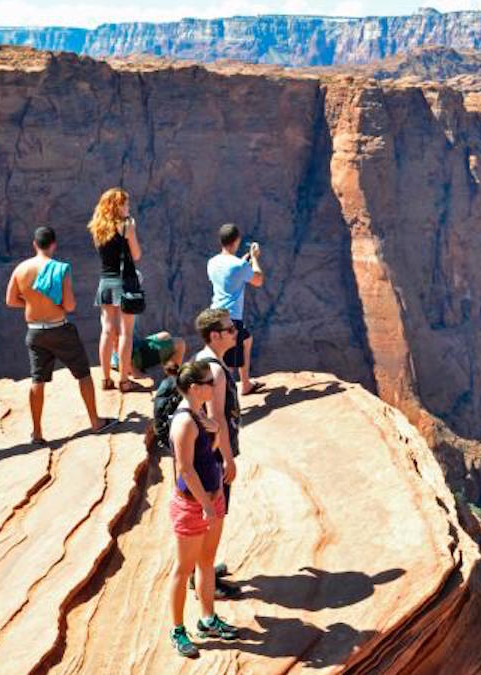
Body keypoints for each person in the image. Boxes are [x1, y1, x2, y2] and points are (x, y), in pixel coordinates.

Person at [6, 226, 115, 443]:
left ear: (34, 245)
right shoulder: (60, 269)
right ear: (53, 244)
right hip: (60, 329)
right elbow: (70, 304)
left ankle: (37, 433)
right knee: (83, 373)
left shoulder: (21, 269)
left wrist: (30, 303)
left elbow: (10, 300)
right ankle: (95, 421)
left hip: (35, 331)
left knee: (37, 379)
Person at [167, 360, 239, 658]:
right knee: (183, 570)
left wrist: (213, 432)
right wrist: (207, 505)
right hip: (193, 505)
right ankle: (178, 631)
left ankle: (207, 618)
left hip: (213, 497)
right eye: (209, 382)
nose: (214, 385)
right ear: (195, 388)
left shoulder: (199, 416)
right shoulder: (184, 422)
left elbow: (204, 458)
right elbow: (185, 469)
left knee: (206, 562)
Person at [191, 307, 243, 599]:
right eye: (230, 329)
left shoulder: (203, 360)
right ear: (215, 335)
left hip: (203, 453)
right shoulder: (215, 372)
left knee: (207, 514)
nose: (235, 332)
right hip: (213, 456)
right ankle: (205, 580)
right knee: (213, 516)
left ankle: (202, 569)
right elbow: (216, 418)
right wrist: (228, 458)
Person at [88, 187, 145, 393]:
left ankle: (105, 379)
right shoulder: (126, 227)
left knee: (106, 331)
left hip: (106, 282)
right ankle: (123, 380)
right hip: (126, 282)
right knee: (125, 334)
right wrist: (131, 229)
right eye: (125, 204)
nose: (128, 207)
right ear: (116, 206)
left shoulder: (97, 228)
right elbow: (136, 255)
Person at [206, 223, 264, 394]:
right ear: (237, 241)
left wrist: (242, 262)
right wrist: (254, 259)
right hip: (230, 320)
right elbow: (258, 280)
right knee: (228, 366)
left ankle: (245, 384)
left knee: (246, 340)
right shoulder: (239, 266)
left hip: (214, 315)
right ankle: (223, 404)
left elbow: (227, 276)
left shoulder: (212, 262)